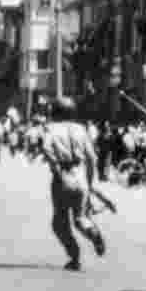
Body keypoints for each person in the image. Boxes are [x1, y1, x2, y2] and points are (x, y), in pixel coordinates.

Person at [40, 97, 105, 271]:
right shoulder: (81, 129)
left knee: (59, 222)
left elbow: (46, 149)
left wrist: (55, 167)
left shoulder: (50, 128)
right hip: (81, 176)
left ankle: (74, 256)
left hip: (62, 176)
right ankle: (94, 233)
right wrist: (90, 183)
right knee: (81, 218)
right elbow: (92, 158)